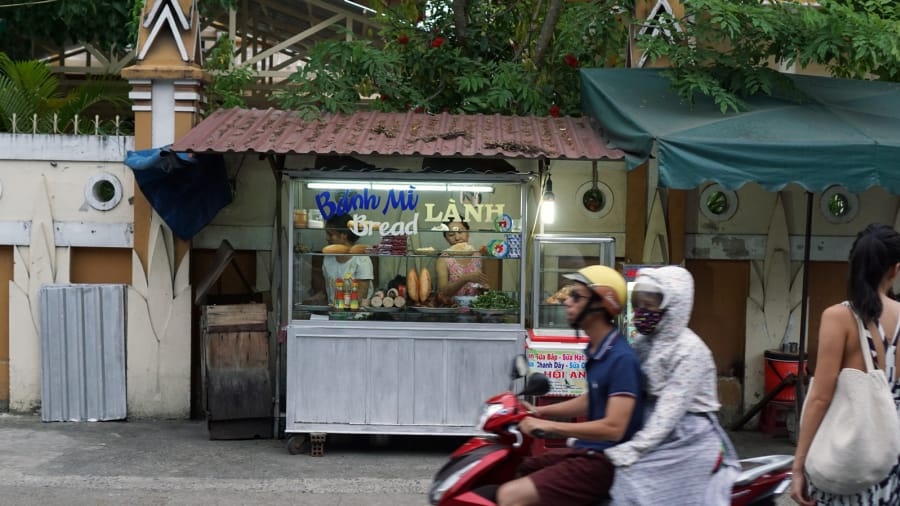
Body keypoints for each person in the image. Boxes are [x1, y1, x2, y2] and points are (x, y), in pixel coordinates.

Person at [496, 265, 645, 506]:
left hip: (605, 461)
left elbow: (614, 428)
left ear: (601, 303)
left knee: (510, 496)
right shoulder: (597, 348)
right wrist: (539, 410)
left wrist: (548, 425)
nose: (567, 301)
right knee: (515, 468)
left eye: (576, 296)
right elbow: (590, 400)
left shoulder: (621, 358)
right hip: (587, 450)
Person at [604, 265, 740, 505]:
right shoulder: (644, 343)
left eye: (651, 303)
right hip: (650, 428)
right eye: (639, 303)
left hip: (687, 436)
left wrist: (635, 448)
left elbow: (670, 409)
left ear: (675, 303)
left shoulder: (690, 350)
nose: (642, 310)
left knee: (632, 482)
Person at [790, 223, 900, 505]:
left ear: (852, 264)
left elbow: (819, 398)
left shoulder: (838, 317)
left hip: (851, 458)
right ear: (895, 269)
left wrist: (798, 465)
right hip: (892, 457)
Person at [316, 213, 374, 306]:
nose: (326, 238)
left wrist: (341, 308)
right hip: (334, 314)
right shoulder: (328, 258)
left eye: (330, 234)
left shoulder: (362, 259)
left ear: (344, 235)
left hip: (355, 315)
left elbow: (362, 294)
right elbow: (327, 289)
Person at [435, 219, 490, 297]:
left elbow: (485, 285)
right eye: (451, 234)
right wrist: (466, 278)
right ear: (446, 238)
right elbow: (442, 292)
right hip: (452, 307)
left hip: (475, 307)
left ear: (468, 233)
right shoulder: (443, 259)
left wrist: (485, 288)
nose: (457, 238)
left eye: (460, 232)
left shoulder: (478, 256)